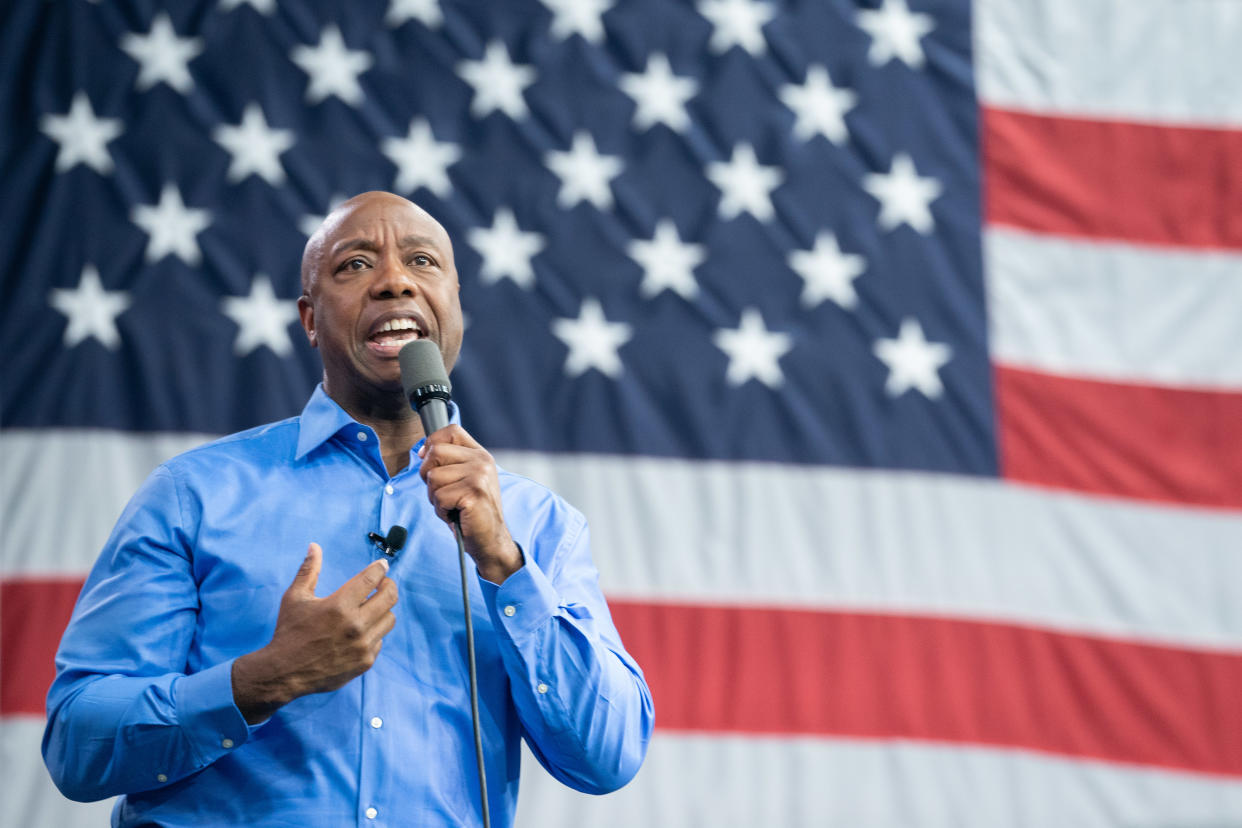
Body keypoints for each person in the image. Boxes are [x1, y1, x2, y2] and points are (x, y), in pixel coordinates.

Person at [43, 191, 654, 826]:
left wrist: (505, 563)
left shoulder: (536, 525)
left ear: (455, 307)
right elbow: (76, 743)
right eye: (356, 265)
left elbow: (605, 758)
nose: (395, 281)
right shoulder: (194, 494)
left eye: (422, 262)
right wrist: (262, 680)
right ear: (310, 319)